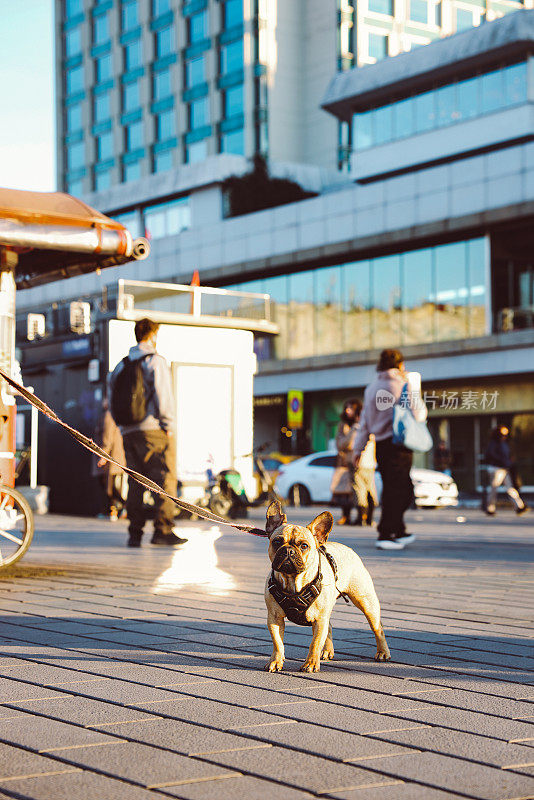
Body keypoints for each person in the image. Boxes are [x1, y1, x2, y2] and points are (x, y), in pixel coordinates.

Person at [109, 318, 187, 547]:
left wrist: (123, 427)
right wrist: (168, 426)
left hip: (128, 431)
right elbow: (164, 397)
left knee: (135, 481)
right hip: (153, 430)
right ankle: (162, 530)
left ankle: (134, 533)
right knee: (164, 479)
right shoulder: (155, 361)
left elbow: (111, 397)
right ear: (153, 335)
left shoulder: (121, 365)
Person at [352, 348, 427, 550]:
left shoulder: (371, 389)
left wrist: (357, 450)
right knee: (399, 490)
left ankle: (399, 530)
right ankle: (386, 533)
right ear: (401, 365)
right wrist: (414, 386)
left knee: (397, 487)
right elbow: (420, 414)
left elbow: (365, 424)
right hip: (399, 445)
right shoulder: (404, 384)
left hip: (381, 446)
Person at [94, 398, 127, 521]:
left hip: (111, 459)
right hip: (117, 457)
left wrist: (103, 455)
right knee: (112, 486)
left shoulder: (108, 415)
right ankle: (118, 509)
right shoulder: (117, 413)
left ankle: (115, 510)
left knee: (110, 486)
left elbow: (107, 437)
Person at [484, 426, 527, 516]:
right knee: (494, 488)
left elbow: (507, 455)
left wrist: (509, 462)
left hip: (504, 469)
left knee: (510, 488)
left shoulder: (504, 443)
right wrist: (502, 461)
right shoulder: (494, 443)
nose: (504, 436)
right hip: (496, 468)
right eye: (503, 434)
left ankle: (519, 506)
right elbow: (491, 455)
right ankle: (489, 508)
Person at [330, 399, 360, 525]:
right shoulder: (343, 425)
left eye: (351, 408)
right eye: (346, 408)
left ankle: (361, 516)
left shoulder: (361, 424)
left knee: (358, 491)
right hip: (345, 462)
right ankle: (345, 516)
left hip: (358, 462)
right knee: (344, 490)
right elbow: (341, 444)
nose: (348, 411)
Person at [353, 431, 378, 527]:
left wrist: (357, 459)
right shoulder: (375, 431)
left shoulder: (360, 430)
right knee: (371, 492)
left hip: (361, 466)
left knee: (360, 492)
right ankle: (369, 519)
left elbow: (358, 445)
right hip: (371, 465)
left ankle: (361, 519)